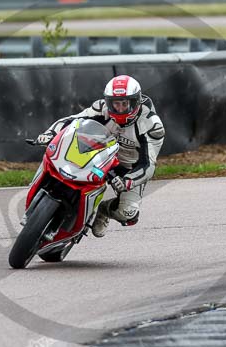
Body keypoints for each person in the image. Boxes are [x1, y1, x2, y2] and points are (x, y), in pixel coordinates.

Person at [37, 74, 165, 237]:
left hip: (126, 169)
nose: (119, 108)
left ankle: (103, 210)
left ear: (136, 102)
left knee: (128, 214)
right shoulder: (101, 107)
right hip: (96, 155)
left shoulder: (152, 125)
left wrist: (128, 181)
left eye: (125, 104)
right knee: (55, 158)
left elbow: (148, 165)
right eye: (114, 103)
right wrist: (50, 134)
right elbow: (72, 121)